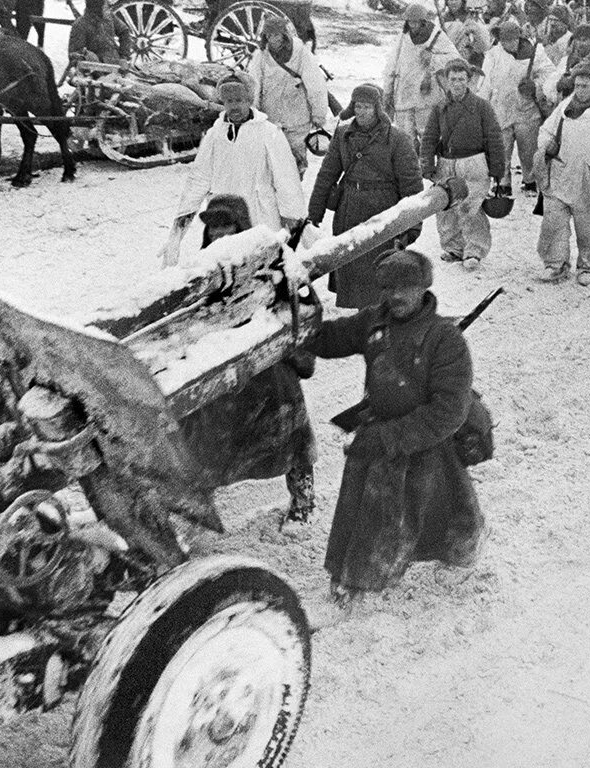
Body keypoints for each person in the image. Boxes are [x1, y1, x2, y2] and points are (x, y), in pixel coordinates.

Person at [308, 249, 485, 604]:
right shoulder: (374, 323)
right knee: (367, 510)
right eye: (388, 287)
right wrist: (294, 326)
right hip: (379, 432)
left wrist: (388, 438)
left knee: (442, 511)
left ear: (424, 288)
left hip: (427, 442)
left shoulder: (445, 340)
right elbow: (328, 339)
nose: (396, 296)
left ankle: (458, 554)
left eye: (407, 288)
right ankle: (354, 576)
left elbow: (448, 411)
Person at [184, 194, 318, 524]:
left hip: (267, 369)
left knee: (293, 437)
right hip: (221, 371)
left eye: (225, 225)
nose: (218, 234)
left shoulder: (273, 262)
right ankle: (198, 513)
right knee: (200, 446)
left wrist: (289, 348)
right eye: (212, 228)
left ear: (241, 225)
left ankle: (304, 503)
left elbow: (303, 309)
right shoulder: (203, 268)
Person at [169, 75, 307, 262]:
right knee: (225, 264)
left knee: (261, 265)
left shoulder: (268, 132)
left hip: (260, 214)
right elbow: (200, 177)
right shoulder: (215, 134)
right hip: (223, 216)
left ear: (249, 101)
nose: (234, 106)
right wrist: (183, 216)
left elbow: (286, 178)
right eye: (229, 101)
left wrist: (293, 217)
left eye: (239, 100)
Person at [308, 84, 423, 306]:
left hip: (382, 212)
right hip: (349, 210)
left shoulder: (397, 139)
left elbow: (411, 185)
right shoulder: (342, 135)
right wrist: (315, 213)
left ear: (377, 109)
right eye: (357, 106)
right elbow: (326, 175)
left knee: (379, 270)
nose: (361, 111)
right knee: (351, 266)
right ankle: (361, 319)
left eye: (367, 107)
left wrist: (412, 227)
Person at [534, 59, 590, 285]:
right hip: (560, 175)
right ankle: (555, 264)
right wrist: (547, 146)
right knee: (553, 223)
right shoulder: (565, 107)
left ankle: (589, 266)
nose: (580, 90)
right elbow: (545, 130)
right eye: (577, 85)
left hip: (588, 181)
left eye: (585, 86)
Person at [421, 60, 506, 271]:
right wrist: (427, 164)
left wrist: (497, 169)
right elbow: (430, 137)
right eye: (453, 79)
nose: (457, 83)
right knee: (445, 206)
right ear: (446, 81)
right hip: (446, 163)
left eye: (461, 79)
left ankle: (474, 250)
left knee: (471, 205)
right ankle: (453, 248)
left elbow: (494, 137)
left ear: (468, 81)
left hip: (474, 162)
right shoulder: (440, 107)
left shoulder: (481, 106)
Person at [479, 19, 557, 193]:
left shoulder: (535, 53)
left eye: (512, 39)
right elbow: (484, 83)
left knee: (528, 148)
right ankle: (502, 183)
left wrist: (535, 85)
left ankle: (530, 180)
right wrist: (482, 107)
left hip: (526, 109)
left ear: (519, 38)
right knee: (501, 148)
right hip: (500, 109)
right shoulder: (493, 55)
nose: (509, 44)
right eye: (505, 40)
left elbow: (550, 74)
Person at [248, 13, 330, 174]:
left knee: (296, 161)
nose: (273, 39)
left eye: (276, 34)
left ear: (284, 35)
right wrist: (253, 111)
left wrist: (319, 114)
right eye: (269, 35)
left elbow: (316, 85)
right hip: (270, 118)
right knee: (270, 161)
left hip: (297, 117)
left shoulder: (301, 54)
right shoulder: (261, 56)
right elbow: (254, 84)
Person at [383, 2, 461, 149]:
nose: (412, 26)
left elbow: (455, 59)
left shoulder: (436, 36)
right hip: (404, 96)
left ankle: (428, 170)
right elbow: (391, 65)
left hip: (426, 96)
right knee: (405, 141)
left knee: (428, 139)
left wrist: (433, 58)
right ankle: (411, 170)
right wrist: (387, 91)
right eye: (410, 22)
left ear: (423, 22)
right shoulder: (402, 37)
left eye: (415, 22)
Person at [67, 0, 132, 65]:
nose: (97, 8)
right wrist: (87, 58)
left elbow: (124, 31)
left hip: (115, 62)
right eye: (94, 3)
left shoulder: (109, 17)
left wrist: (124, 57)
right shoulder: (80, 24)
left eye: (99, 3)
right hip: (93, 68)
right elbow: (74, 54)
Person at [440, 0, 491, 67]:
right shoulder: (443, 18)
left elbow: (483, 41)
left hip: (470, 56)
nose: (453, 2)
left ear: (462, 0)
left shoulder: (471, 17)